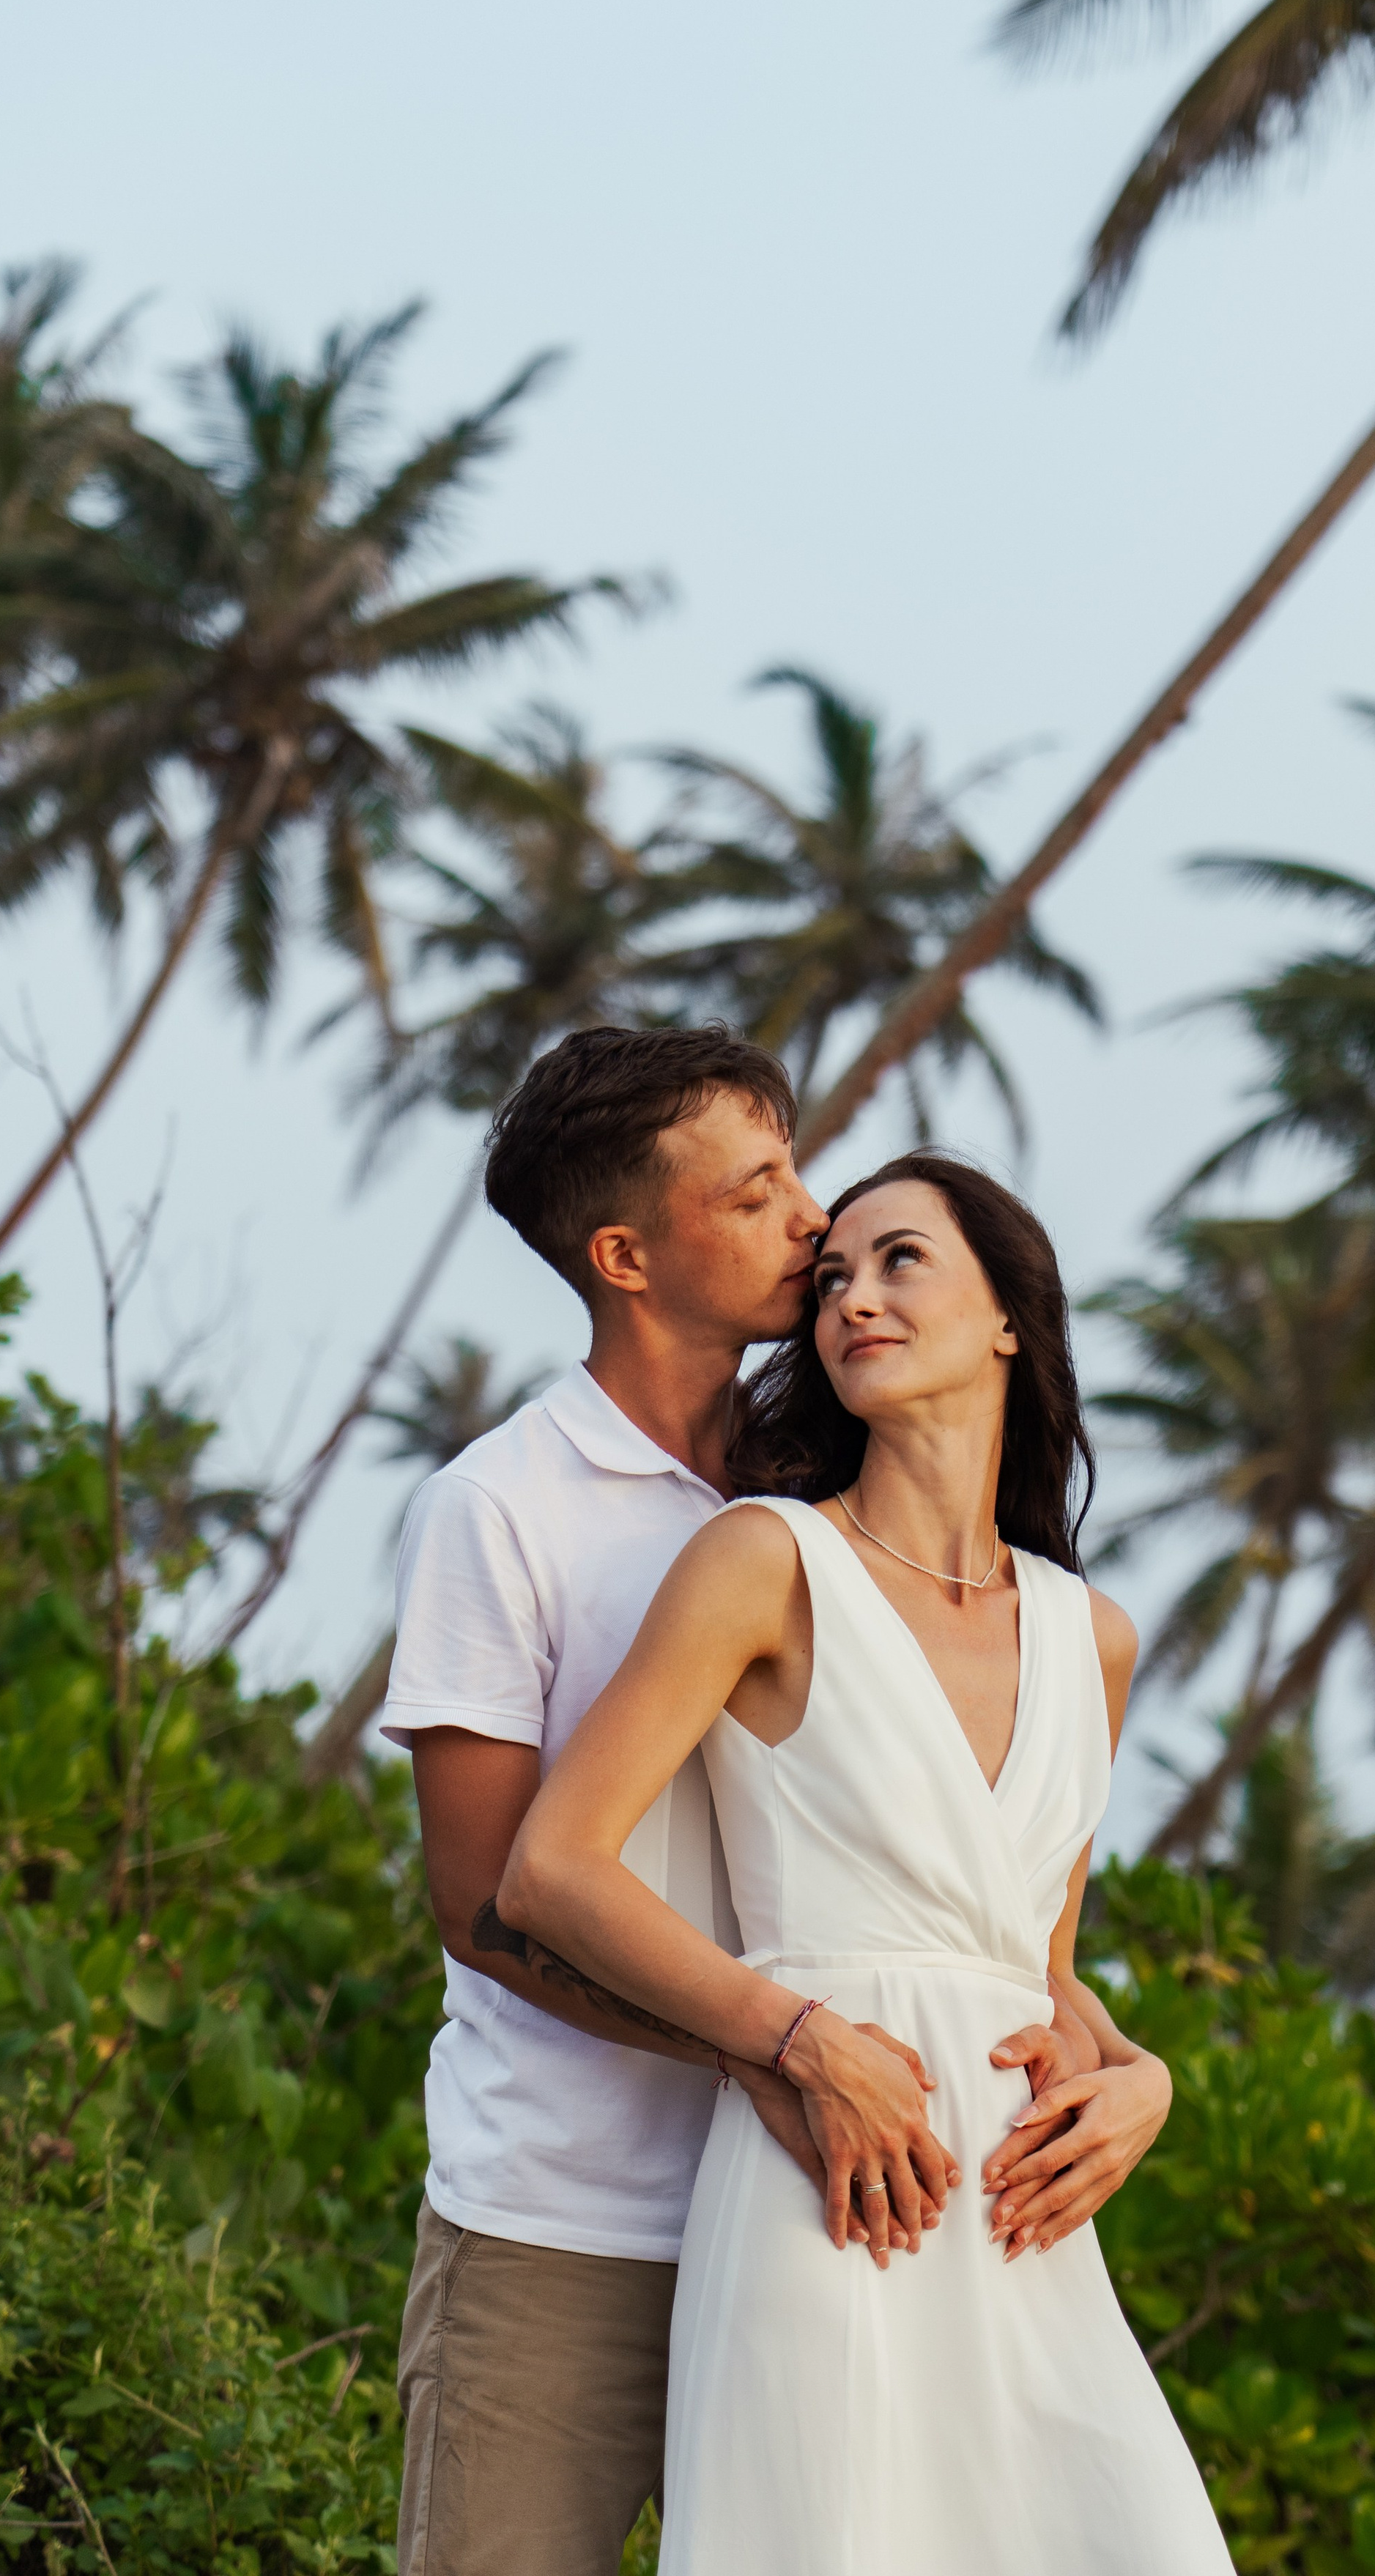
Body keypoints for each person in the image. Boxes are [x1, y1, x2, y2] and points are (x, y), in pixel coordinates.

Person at [383, 1029, 1076, 2576]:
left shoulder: (829, 1496)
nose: (811, 1219)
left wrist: (1119, 2063)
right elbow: (488, 1905)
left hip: (829, 2226)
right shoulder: (498, 1511)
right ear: (626, 1254)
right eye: (757, 1191)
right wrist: (774, 2044)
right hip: (569, 2222)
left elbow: (965, 1892)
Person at [499, 1152, 1232, 2572]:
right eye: (831, 1277)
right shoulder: (763, 1559)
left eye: (900, 1260)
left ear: (1010, 1313)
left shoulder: (1094, 1638)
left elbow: (1033, 1968)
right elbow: (553, 1869)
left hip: (1023, 2232)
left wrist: (1141, 2077)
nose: (851, 1297)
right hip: (828, 2202)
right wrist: (800, 2042)